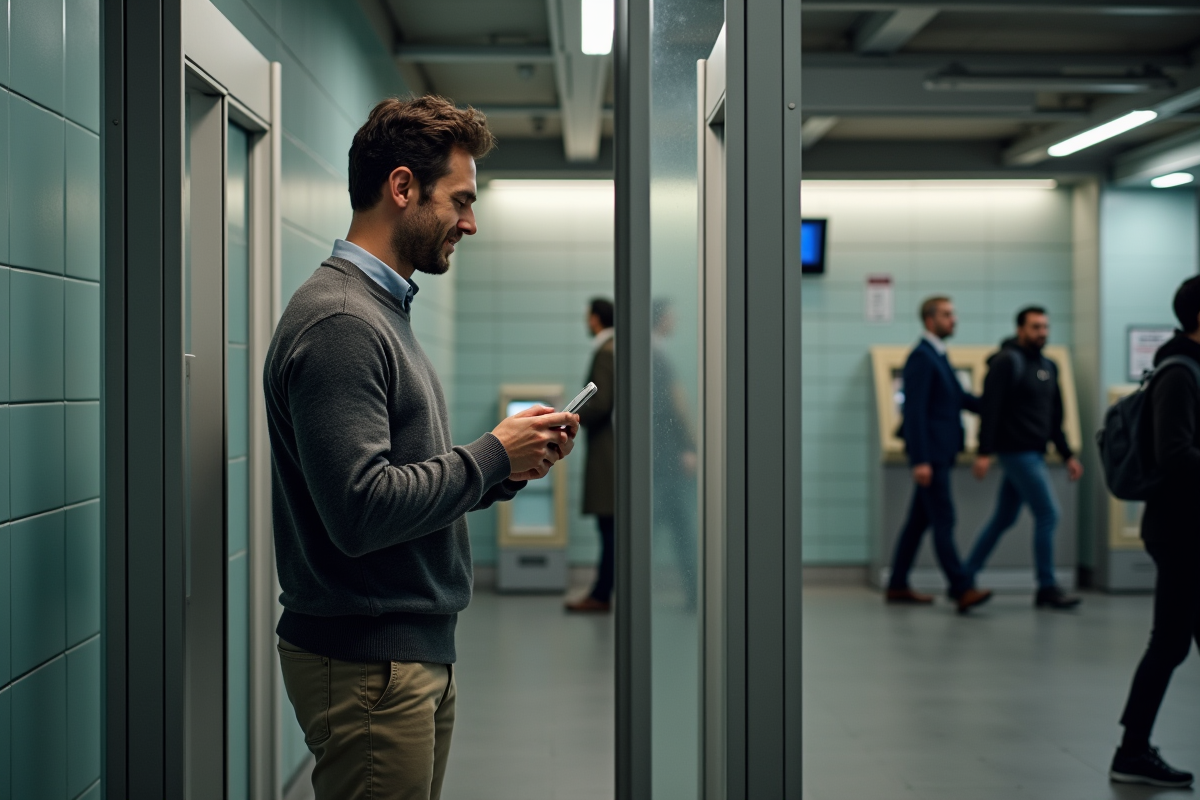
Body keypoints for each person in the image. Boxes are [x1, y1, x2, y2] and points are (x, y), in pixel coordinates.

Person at [265, 96, 580, 800]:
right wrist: (489, 456)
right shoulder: (343, 321)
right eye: (460, 200)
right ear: (402, 187)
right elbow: (361, 511)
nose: (470, 222)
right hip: (370, 664)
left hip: (400, 656)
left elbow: (401, 481)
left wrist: (506, 468)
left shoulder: (381, 311)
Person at [1110, 277, 1200, 789]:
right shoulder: (1180, 373)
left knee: (1173, 642)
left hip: (1188, 526)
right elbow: (1174, 454)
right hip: (1181, 529)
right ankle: (1132, 751)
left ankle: (1133, 749)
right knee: (1169, 643)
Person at [964, 307, 1083, 610]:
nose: (1042, 332)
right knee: (1048, 513)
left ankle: (964, 577)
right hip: (1016, 451)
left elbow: (1054, 416)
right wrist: (984, 452)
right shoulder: (1006, 362)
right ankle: (1047, 586)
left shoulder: (1048, 366)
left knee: (1003, 518)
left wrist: (1067, 454)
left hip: (1035, 451)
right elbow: (990, 409)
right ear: (1020, 330)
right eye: (1035, 327)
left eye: (1045, 327)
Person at [886, 296, 992, 613]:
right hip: (931, 456)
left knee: (918, 522)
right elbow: (914, 412)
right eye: (947, 314)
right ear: (930, 320)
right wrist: (920, 459)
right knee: (944, 519)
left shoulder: (938, 355)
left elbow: (960, 398)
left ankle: (897, 584)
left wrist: (998, 405)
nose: (953, 319)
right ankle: (961, 588)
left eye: (953, 314)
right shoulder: (922, 357)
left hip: (940, 453)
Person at [566, 298, 616, 613]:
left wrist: (571, 415)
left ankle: (600, 594)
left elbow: (601, 401)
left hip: (606, 452)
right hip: (611, 449)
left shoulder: (605, 351)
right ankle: (601, 591)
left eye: (588, 316)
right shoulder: (615, 348)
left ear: (596, 319)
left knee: (608, 527)